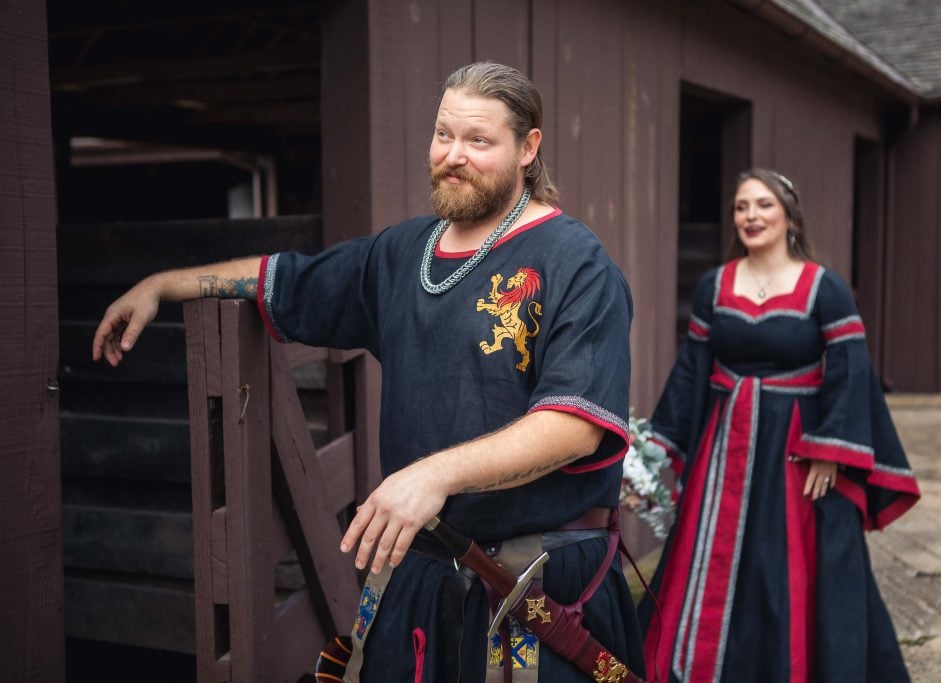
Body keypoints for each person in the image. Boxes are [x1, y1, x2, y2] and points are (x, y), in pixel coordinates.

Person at [92, 62, 644, 682]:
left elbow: (573, 425)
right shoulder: (402, 252)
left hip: (533, 590)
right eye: (443, 135)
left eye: (478, 141)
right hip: (420, 585)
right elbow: (289, 279)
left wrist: (433, 476)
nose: (452, 156)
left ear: (528, 148)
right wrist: (163, 284)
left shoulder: (576, 262)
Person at [636, 168, 920, 683]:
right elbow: (689, 373)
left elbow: (851, 370)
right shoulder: (713, 286)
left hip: (800, 457)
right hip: (724, 454)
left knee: (789, 568)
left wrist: (831, 449)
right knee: (716, 566)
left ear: (788, 216)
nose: (751, 216)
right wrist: (654, 456)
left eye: (764, 205)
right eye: (742, 207)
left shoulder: (823, 288)